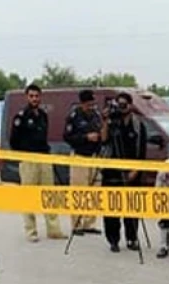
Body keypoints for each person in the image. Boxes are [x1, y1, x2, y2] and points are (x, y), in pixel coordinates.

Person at [10, 83, 64, 242]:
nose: (34, 99)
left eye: (37, 96)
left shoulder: (43, 115)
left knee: (49, 195)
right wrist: (25, 155)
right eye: (31, 96)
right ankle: (31, 231)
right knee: (29, 197)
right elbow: (14, 141)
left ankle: (54, 230)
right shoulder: (21, 117)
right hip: (28, 160)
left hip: (44, 158)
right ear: (27, 97)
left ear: (41, 97)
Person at [102, 92, 148, 253]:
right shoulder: (112, 122)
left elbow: (142, 151)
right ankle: (113, 240)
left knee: (131, 207)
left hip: (131, 172)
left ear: (130, 105)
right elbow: (103, 139)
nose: (121, 107)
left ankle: (132, 238)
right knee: (111, 208)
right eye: (118, 104)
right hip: (111, 172)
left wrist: (135, 170)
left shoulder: (138, 125)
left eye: (124, 104)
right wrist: (106, 121)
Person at [63, 89, 104, 236]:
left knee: (94, 193)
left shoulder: (97, 115)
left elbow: (102, 132)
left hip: (94, 157)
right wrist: (86, 137)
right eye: (89, 103)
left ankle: (89, 223)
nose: (91, 106)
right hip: (80, 156)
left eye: (93, 103)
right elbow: (67, 137)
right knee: (79, 192)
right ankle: (76, 224)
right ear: (82, 103)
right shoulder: (74, 116)